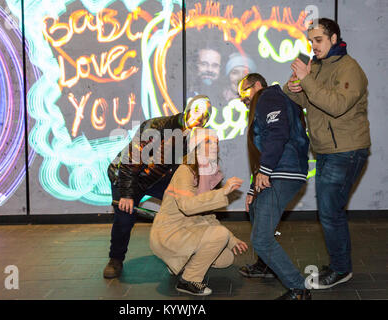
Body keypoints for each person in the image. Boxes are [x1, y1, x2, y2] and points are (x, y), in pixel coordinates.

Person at [284, 18, 371, 289]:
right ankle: (339, 264)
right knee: (331, 211)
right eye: (311, 41)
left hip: (346, 150)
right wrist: (294, 87)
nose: (313, 46)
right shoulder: (317, 67)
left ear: (334, 38)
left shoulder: (350, 69)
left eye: (319, 40)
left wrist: (308, 80)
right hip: (326, 150)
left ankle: (341, 269)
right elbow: (307, 99)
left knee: (330, 212)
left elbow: (336, 105)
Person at [104, 95, 212, 279]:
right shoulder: (157, 127)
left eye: (204, 117)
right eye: (196, 113)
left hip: (156, 177)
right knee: (124, 219)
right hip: (126, 175)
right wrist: (127, 194)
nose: (198, 119)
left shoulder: (193, 136)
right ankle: (115, 259)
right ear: (188, 110)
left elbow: (188, 168)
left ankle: (180, 257)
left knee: (183, 209)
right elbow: (131, 162)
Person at [238, 73, 311, 300]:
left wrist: (267, 169)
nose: (243, 99)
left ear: (257, 85)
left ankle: (299, 288)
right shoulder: (270, 99)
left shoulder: (267, 96)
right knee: (254, 208)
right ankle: (265, 265)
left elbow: (278, 132)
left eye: (244, 92)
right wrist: (253, 187)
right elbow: (264, 148)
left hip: (282, 172)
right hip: (278, 170)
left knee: (261, 239)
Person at [150, 127, 248, 296]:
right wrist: (222, 192)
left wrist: (232, 240)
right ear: (196, 147)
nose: (215, 146)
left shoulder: (207, 175)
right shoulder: (185, 171)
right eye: (208, 142)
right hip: (170, 234)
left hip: (188, 231)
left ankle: (178, 264)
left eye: (216, 142)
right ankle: (189, 280)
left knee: (226, 259)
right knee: (219, 235)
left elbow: (208, 216)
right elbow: (187, 206)